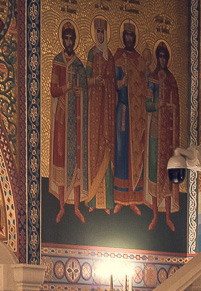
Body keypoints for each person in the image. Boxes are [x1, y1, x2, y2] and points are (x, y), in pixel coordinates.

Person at [50, 21, 88, 223]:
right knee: (61, 158)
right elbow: (53, 90)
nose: (69, 41)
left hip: (76, 119)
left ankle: (76, 207)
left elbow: (85, 89)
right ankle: (62, 206)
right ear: (63, 39)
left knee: (77, 161)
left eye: (72, 38)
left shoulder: (79, 64)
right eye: (66, 38)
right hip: (62, 119)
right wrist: (66, 87)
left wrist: (81, 90)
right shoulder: (57, 61)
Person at [144, 41, 181, 230]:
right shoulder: (152, 78)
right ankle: (154, 216)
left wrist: (172, 108)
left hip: (168, 132)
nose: (163, 60)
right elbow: (147, 104)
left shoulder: (172, 79)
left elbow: (177, 106)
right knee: (155, 172)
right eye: (160, 56)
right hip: (156, 132)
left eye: (165, 57)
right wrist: (158, 105)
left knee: (168, 174)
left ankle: (167, 216)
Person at [112, 20, 148, 214]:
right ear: (123, 37)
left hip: (137, 115)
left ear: (134, 38)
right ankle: (120, 198)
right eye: (126, 35)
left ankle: (133, 198)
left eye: (131, 36)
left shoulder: (140, 60)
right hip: (123, 111)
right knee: (121, 152)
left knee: (137, 154)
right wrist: (121, 82)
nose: (129, 38)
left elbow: (145, 82)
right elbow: (113, 84)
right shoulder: (118, 57)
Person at [85, 17, 117, 213]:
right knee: (94, 148)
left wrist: (108, 84)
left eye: (102, 32)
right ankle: (92, 200)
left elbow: (113, 81)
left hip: (107, 108)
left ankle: (107, 203)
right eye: (97, 31)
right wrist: (94, 81)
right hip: (94, 107)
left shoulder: (110, 56)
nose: (100, 35)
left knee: (107, 147)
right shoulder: (91, 53)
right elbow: (85, 79)